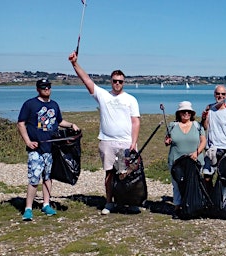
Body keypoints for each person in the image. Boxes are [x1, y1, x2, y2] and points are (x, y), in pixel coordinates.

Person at [68, 52, 141, 215]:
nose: (117, 84)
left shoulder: (131, 100)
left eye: (120, 81)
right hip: (107, 142)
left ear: (124, 82)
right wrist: (75, 64)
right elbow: (86, 80)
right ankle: (109, 202)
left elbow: (136, 122)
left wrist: (133, 143)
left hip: (125, 142)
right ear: (111, 81)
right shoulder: (103, 95)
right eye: (115, 81)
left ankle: (128, 202)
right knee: (109, 173)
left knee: (125, 174)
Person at [17, 79, 80, 221]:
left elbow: (59, 122)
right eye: (43, 87)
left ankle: (46, 204)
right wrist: (28, 141)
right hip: (36, 149)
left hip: (50, 149)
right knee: (34, 178)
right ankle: (28, 208)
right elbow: (21, 124)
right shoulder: (30, 104)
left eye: (48, 87)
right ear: (38, 89)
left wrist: (71, 125)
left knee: (47, 177)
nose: (46, 89)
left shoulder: (54, 105)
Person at [165, 101, 206, 218]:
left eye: (188, 112)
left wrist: (197, 152)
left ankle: (193, 206)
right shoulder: (172, 126)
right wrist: (167, 142)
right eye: (183, 111)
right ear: (179, 113)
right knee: (177, 185)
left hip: (194, 160)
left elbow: (203, 141)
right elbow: (167, 141)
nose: (186, 113)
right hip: (176, 161)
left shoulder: (198, 126)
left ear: (191, 113)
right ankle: (177, 207)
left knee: (193, 184)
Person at [200, 85, 226, 191]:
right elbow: (205, 127)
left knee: (223, 178)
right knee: (207, 177)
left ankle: (220, 202)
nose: (220, 96)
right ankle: (209, 200)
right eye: (218, 93)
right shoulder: (209, 108)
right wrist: (204, 118)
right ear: (214, 94)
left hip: (225, 148)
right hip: (211, 148)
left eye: (223, 94)